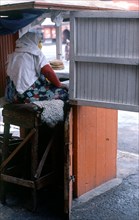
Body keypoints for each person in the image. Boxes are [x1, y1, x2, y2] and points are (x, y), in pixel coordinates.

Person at [5, 32, 69, 104]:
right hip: (27, 96)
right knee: (64, 93)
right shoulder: (35, 53)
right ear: (32, 41)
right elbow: (48, 71)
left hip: (12, 95)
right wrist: (59, 85)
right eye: (39, 41)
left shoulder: (12, 56)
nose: (40, 44)